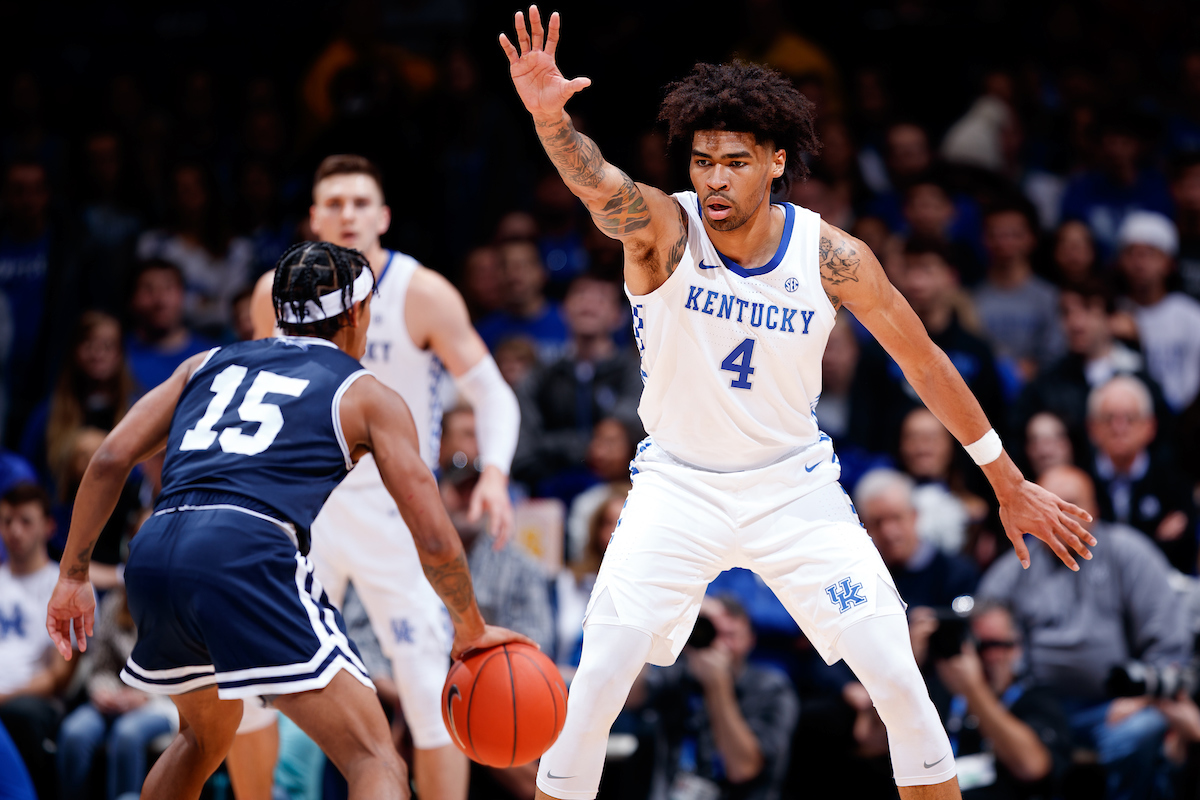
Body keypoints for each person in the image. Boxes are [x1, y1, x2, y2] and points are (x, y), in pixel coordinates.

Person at [499, 10, 1094, 800]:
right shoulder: (664, 230)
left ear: (776, 162)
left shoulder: (832, 257)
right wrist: (551, 120)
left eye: (735, 162)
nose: (714, 178)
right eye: (703, 160)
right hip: (679, 486)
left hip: (793, 488)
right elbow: (596, 182)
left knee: (900, 684)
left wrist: (1004, 478)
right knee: (596, 687)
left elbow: (924, 359)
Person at [45, 241, 530, 800]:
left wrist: (73, 575)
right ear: (356, 314)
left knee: (202, 739)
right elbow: (430, 530)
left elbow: (108, 458)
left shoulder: (205, 364)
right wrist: (469, 629)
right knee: (374, 757)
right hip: (242, 549)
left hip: (156, 550)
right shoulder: (365, 393)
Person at [245, 154, 521, 800]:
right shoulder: (272, 293)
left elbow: (493, 394)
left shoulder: (419, 292)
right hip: (304, 506)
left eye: (360, 202)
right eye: (334, 203)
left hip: (393, 510)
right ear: (313, 217)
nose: (347, 214)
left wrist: (496, 474)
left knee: (430, 691)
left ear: (384, 216)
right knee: (257, 689)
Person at [976, 466, 1190, 800]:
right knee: (1013, 743)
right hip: (1038, 705)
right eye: (1050, 505)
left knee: (1142, 731)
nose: (1058, 515)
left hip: (1113, 705)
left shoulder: (1129, 552)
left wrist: (1142, 696)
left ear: (1095, 509)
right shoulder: (1019, 560)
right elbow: (983, 625)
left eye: (1071, 505)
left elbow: (1168, 641)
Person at [630, 595, 801, 800]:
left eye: (730, 635)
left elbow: (742, 768)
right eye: (711, 633)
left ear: (750, 640)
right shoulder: (680, 674)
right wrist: (665, 623)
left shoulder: (772, 688)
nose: (719, 645)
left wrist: (717, 685)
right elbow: (626, 695)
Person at [933, 603, 1072, 799]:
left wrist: (974, 690)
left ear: (1017, 648)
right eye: (978, 646)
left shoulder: (1036, 698)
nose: (987, 658)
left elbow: (1032, 767)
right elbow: (876, 745)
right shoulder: (945, 692)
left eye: (994, 645)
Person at [0, 483, 76, 800]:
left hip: (33, 702)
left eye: (26, 521)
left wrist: (5, 696)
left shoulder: (62, 588)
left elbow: (59, 675)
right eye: (6, 522)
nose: (15, 531)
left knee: (21, 714)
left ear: (49, 526)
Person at [1085, 375, 1196, 574]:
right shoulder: (1080, 481)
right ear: (1092, 428)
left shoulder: (1174, 481)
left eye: (1129, 418)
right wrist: (1156, 540)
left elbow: (1183, 549)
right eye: (1109, 419)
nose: (1119, 428)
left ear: (1150, 427)